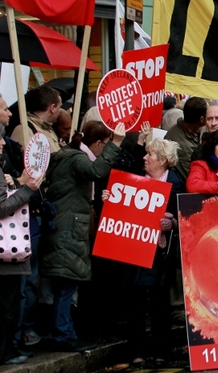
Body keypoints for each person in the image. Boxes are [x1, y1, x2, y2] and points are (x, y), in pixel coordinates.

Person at [41, 121, 126, 352]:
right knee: (66, 284)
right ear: (98, 143)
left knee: (65, 283)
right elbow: (97, 170)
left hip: (67, 224)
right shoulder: (77, 158)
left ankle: (64, 331)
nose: (106, 148)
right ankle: (63, 335)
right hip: (69, 227)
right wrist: (116, 143)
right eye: (105, 144)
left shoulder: (69, 156)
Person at [101, 137, 184, 366]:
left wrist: (172, 223)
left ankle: (161, 351)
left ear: (164, 161)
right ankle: (136, 351)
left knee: (159, 302)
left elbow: (185, 216)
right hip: (133, 249)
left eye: (150, 155)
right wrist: (109, 199)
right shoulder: (134, 178)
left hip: (160, 253)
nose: (144, 158)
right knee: (134, 301)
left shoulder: (177, 183)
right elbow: (119, 207)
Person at [0, 125, 43, 365]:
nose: (3, 142)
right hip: (5, 251)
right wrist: (26, 188)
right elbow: (2, 207)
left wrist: (15, 182)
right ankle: (6, 352)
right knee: (8, 304)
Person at [165, 96, 207, 182]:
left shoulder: (188, 129)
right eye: (208, 116)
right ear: (202, 119)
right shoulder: (184, 146)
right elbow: (192, 177)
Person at [11, 86, 61, 152]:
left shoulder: (49, 129)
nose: (60, 110)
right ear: (53, 108)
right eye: (60, 107)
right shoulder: (24, 130)